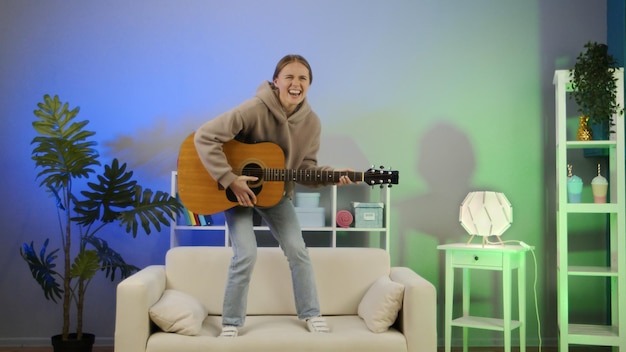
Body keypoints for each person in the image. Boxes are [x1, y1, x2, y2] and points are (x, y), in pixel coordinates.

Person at [194, 54, 355, 338]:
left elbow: (306, 170)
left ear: (309, 85)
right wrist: (230, 179)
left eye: (303, 78)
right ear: (276, 81)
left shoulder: (312, 123)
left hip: (277, 193)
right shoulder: (254, 109)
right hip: (236, 193)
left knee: (298, 250)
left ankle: (311, 313)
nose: (296, 83)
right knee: (246, 254)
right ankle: (231, 323)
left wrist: (333, 176)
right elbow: (204, 137)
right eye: (289, 77)